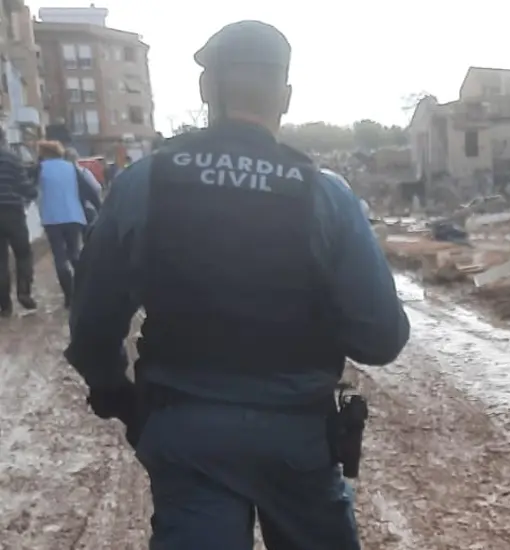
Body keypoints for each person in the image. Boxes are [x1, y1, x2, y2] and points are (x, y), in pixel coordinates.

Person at [64, 20, 410, 550]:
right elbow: (382, 338)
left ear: (206, 90)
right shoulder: (326, 195)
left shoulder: (144, 183)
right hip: (297, 438)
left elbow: (91, 321)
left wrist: (119, 398)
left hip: (185, 432)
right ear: (287, 98)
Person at [35, 140, 101, 308]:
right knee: (75, 253)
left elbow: (30, 189)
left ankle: (69, 297)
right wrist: (100, 209)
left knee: (60, 257)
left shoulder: (40, 168)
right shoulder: (71, 168)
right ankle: (83, 291)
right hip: (73, 216)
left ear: (44, 153)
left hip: (52, 218)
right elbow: (89, 190)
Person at [0, 128, 37, 316]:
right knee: (23, 254)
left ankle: (4, 305)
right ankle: (24, 292)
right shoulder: (13, 159)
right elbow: (26, 187)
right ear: (3, 138)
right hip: (13, 213)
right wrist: (32, 192)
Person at [65, 147, 103, 228]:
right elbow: (97, 188)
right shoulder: (84, 172)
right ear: (76, 158)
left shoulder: (62, 174)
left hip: (68, 212)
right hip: (86, 209)